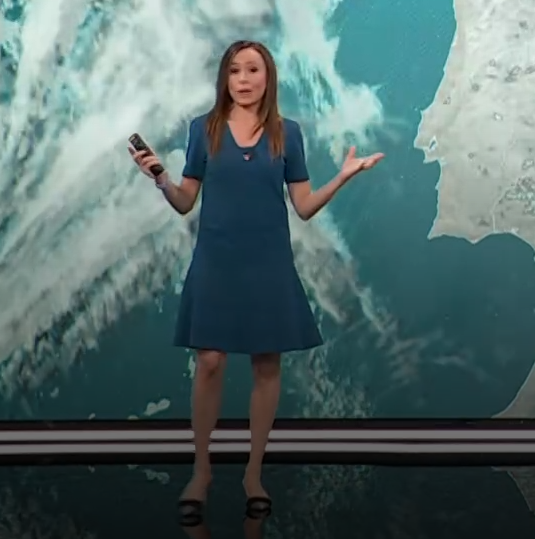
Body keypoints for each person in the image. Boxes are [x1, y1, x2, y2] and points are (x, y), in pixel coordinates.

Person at [128, 39, 384, 525]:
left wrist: (343, 177)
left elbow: (303, 207)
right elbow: (185, 202)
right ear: (224, 79)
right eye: (234, 71)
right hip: (216, 261)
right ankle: (201, 472)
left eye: (253, 70)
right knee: (209, 360)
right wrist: (159, 178)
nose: (243, 80)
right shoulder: (203, 130)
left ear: (269, 78)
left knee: (267, 363)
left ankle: (253, 475)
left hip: (268, 263)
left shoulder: (287, 133)